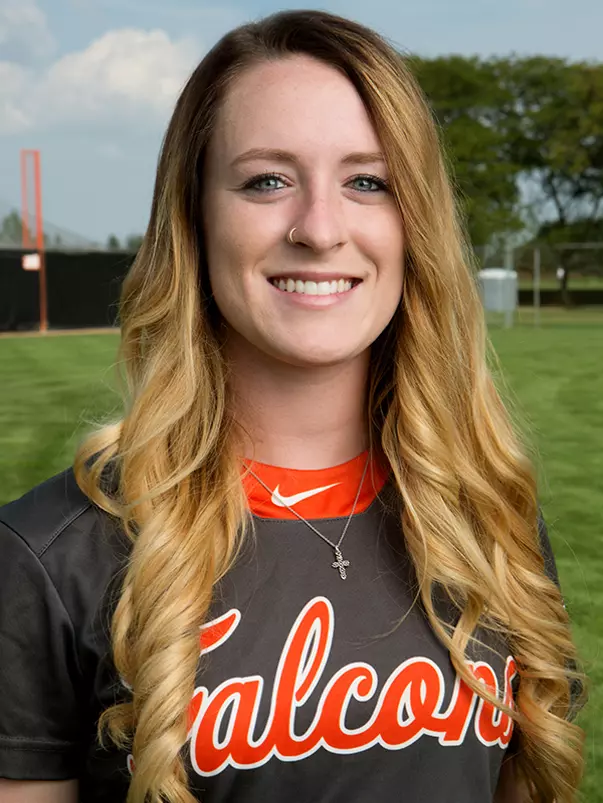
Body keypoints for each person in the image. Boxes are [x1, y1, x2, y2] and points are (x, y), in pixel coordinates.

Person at [0, 9, 586, 803]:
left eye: (367, 182)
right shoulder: (47, 555)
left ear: (415, 224)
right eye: (267, 179)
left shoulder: (489, 519)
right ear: (196, 217)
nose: (318, 227)